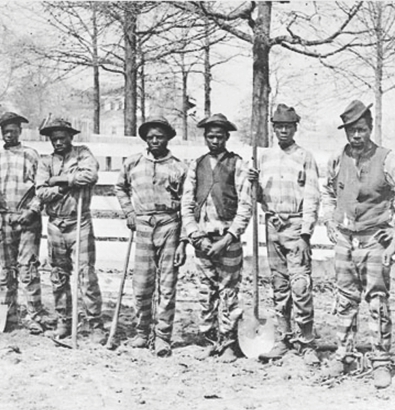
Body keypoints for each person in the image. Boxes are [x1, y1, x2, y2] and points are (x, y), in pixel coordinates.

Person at [321, 100, 395, 388]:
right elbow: (327, 191)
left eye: (361, 130)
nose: (357, 136)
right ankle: (344, 353)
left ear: (370, 128)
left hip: (374, 239)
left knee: (377, 300)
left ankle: (380, 360)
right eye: (351, 131)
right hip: (345, 240)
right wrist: (329, 220)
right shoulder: (337, 159)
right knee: (344, 299)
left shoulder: (388, 159)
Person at [247, 104, 320, 366]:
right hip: (272, 225)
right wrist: (253, 183)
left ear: (295, 127)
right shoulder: (264, 157)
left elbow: (312, 194)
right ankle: (284, 337)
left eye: (288, 126)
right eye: (279, 126)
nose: (283, 130)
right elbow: (256, 198)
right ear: (273, 128)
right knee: (279, 286)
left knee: (300, 285)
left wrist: (306, 231)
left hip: (295, 225)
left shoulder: (304, 156)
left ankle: (307, 342)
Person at [181, 113, 253, 363]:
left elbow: (246, 205)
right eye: (210, 136)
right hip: (202, 239)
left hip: (227, 239)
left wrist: (229, 236)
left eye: (219, 137)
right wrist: (194, 235)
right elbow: (186, 203)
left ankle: (229, 341)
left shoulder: (237, 164)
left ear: (226, 138)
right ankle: (211, 339)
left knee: (229, 291)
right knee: (206, 290)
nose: (214, 140)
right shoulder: (196, 164)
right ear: (205, 137)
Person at [114, 116, 188, 357]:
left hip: (170, 224)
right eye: (151, 136)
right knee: (142, 282)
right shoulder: (133, 163)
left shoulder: (179, 167)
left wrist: (183, 240)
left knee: (167, 284)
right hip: (143, 224)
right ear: (145, 138)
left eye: (160, 136)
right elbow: (120, 187)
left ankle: (163, 336)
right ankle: (142, 331)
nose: (155, 140)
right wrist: (129, 213)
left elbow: (189, 204)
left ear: (168, 138)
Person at [35, 118, 106, 344]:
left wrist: (60, 179)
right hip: (56, 223)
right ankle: (64, 320)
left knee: (86, 276)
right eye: (54, 139)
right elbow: (40, 191)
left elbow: (90, 176)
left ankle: (95, 323)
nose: (58, 143)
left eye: (62, 138)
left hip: (79, 222)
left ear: (70, 137)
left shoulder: (83, 154)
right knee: (58, 275)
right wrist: (63, 186)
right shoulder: (45, 161)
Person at [0, 112, 48, 333]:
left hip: (27, 219)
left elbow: (42, 188)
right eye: (5, 132)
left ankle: (34, 315)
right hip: (4, 218)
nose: (9, 135)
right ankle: (7, 314)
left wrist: (32, 210)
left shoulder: (30, 155)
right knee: (7, 270)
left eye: (12, 131)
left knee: (27, 268)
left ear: (20, 131)